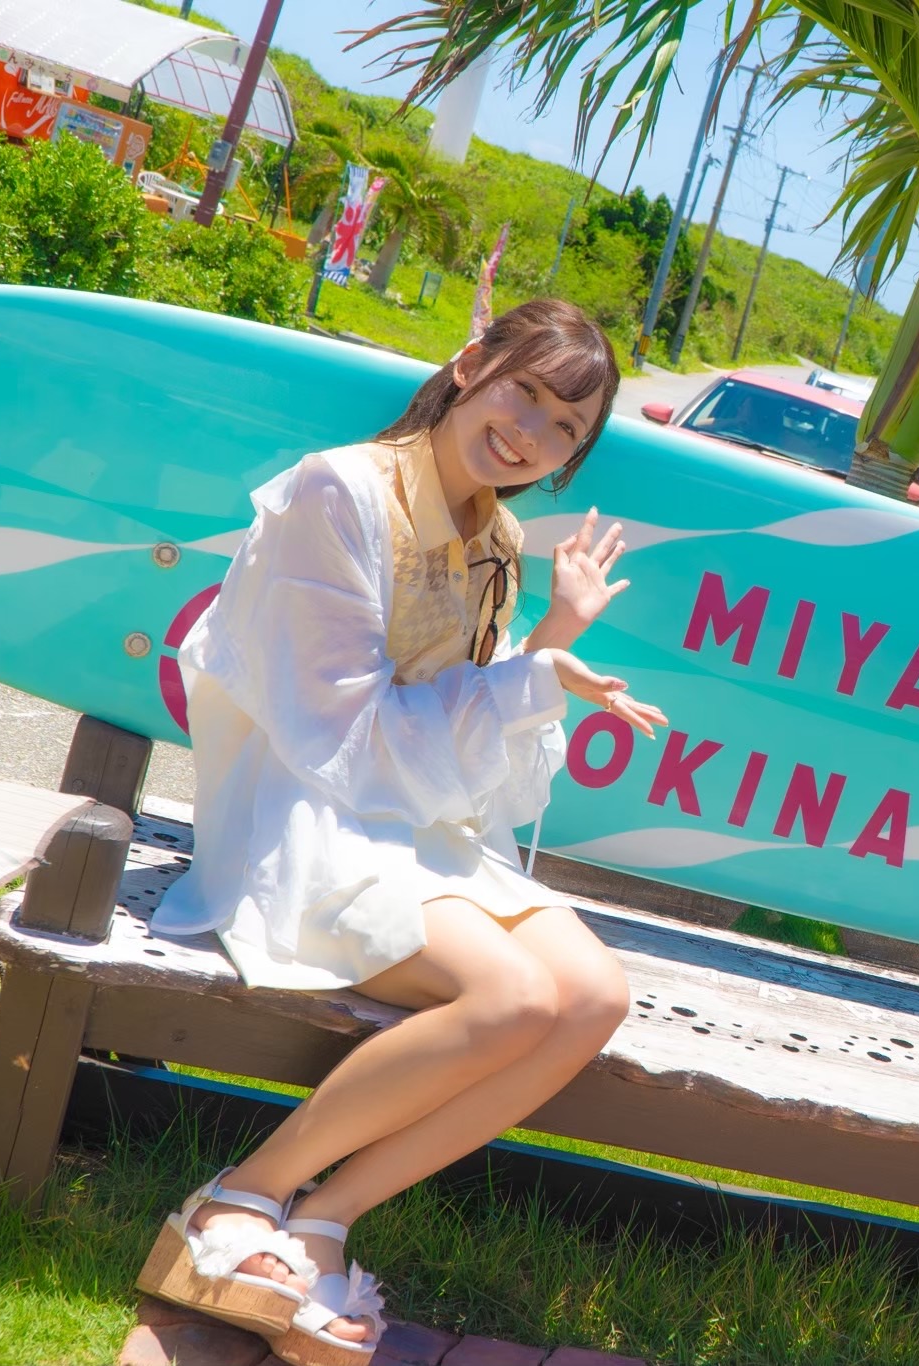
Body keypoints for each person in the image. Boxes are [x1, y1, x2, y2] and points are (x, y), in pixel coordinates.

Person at [141, 298, 665, 1366]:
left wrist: (556, 637)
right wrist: (532, 678)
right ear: (470, 366)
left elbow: (470, 749)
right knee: (513, 996)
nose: (531, 433)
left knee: (593, 997)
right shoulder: (338, 492)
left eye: (565, 426)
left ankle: (327, 1219)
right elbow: (344, 735)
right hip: (301, 809)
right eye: (524, 391)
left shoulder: (495, 539)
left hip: (410, 823)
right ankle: (241, 1196)